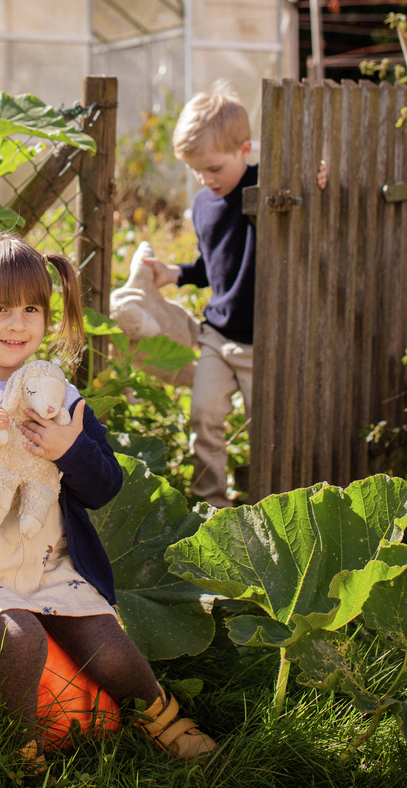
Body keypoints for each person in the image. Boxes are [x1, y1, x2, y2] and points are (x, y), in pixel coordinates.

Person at [0, 232, 217, 773]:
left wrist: (72, 449)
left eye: (31, 309)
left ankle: (161, 717)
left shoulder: (61, 399)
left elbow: (104, 486)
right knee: (21, 641)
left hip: (53, 565)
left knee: (110, 644)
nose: (18, 323)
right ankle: (20, 748)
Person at [143, 87, 328, 508]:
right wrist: (174, 274)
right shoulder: (203, 204)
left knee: (267, 430)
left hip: (265, 342)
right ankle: (210, 504)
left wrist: (318, 180)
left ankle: (270, 503)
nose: (206, 179)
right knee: (203, 416)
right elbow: (213, 265)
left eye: (213, 168)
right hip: (218, 336)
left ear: (245, 149)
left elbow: (304, 194)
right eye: (196, 171)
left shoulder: (267, 186)